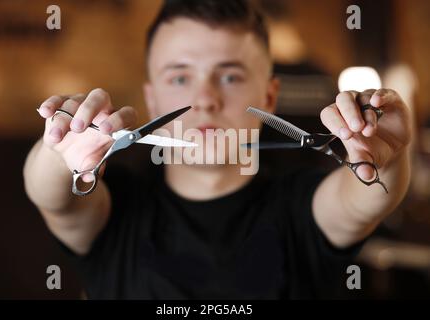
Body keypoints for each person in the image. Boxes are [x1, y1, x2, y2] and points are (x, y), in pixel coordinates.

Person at [23, 0, 412, 299]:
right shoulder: (115, 208)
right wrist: (61, 148)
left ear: (270, 95)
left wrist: (386, 155)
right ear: (152, 99)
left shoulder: (304, 206)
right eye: (179, 76)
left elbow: (363, 200)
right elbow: (52, 194)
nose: (205, 99)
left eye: (230, 75)